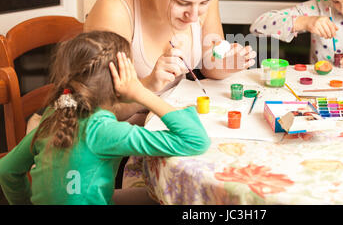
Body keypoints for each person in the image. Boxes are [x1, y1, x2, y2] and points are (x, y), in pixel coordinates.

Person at [0, 31, 210, 205]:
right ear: (118, 82)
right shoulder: (104, 131)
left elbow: (6, 170)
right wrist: (141, 93)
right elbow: (195, 140)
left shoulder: (55, 114)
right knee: (162, 198)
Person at [84, 0, 256, 123]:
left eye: (204, 3)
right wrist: (148, 86)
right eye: (182, 3)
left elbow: (209, 64)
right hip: (128, 138)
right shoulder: (114, 10)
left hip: (175, 124)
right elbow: (96, 112)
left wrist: (226, 64)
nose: (193, 16)